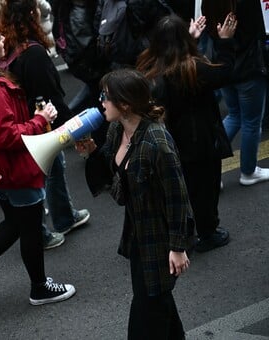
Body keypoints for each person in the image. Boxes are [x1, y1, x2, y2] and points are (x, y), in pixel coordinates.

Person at [0, 20, 76, 306]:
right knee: (30, 227)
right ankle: (40, 288)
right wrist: (40, 120)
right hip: (13, 169)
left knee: (16, 223)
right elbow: (6, 136)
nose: (4, 38)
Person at [77, 69, 192, 339]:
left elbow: (178, 197)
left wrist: (178, 247)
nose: (101, 101)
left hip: (161, 239)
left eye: (105, 97)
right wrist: (92, 153)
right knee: (157, 301)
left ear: (125, 104)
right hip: (139, 234)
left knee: (146, 310)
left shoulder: (157, 143)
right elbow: (111, 173)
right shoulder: (118, 130)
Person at [136, 14, 236, 252]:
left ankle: (182, 232)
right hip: (200, 141)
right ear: (184, 39)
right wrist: (224, 41)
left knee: (181, 191)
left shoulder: (150, 69)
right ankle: (207, 233)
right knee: (205, 190)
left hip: (171, 141)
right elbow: (224, 73)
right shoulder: (193, 68)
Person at [0, 0, 90, 247]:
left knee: (51, 169)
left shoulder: (7, 44)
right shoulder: (33, 53)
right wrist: (74, 130)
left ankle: (64, 217)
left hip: (22, 122)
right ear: (31, 13)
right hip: (38, 123)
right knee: (38, 179)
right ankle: (44, 232)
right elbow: (51, 96)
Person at [201, 0, 269, 186]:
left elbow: (208, 29)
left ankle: (208, 169)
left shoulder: (209, 3)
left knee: (234, 116)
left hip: (224, 63)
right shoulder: (248, 3)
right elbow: (260, 30)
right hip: (248, 66)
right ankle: (248, 171)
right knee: (251, 121)